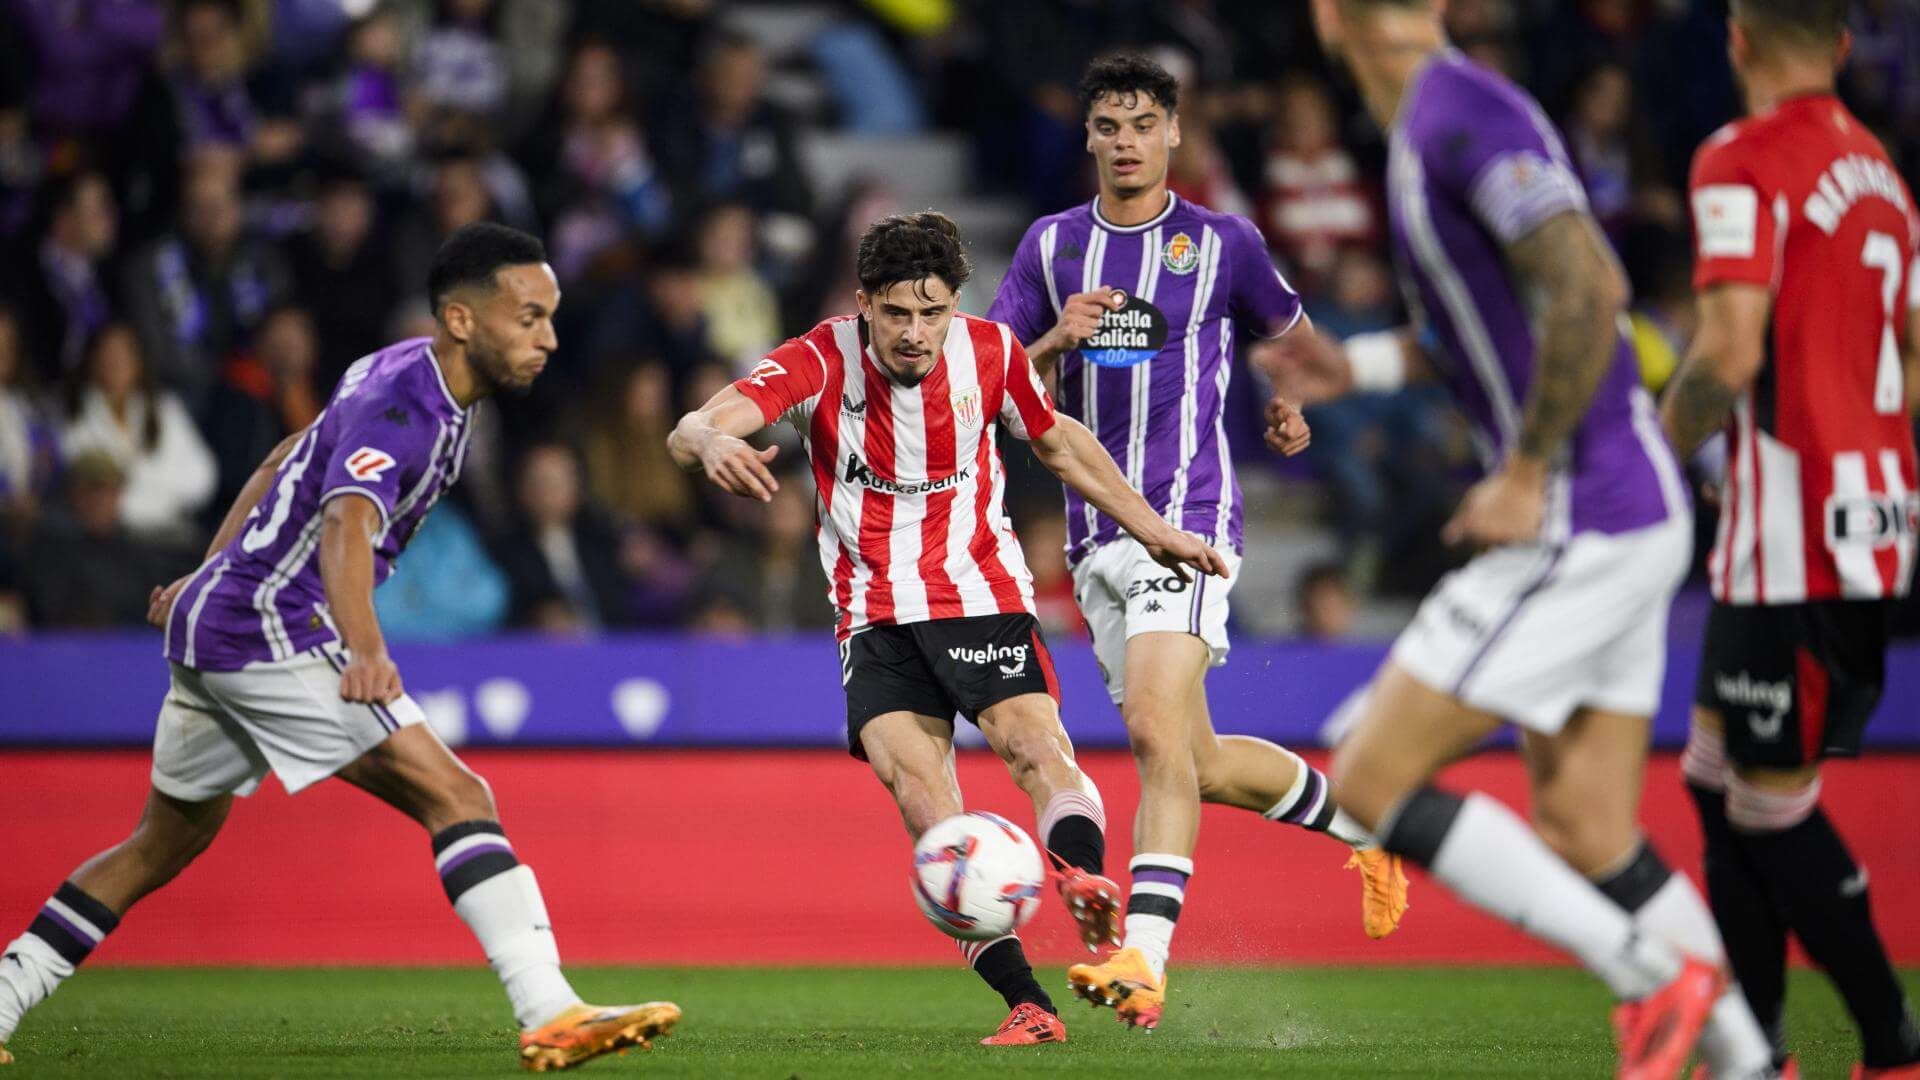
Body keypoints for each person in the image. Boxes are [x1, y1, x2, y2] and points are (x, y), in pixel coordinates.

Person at [0, 223, 679, 1071]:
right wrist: (364, 646)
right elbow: (345, 522)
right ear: (463, 320)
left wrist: (207, 575)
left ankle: (3, 999)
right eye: (530, 317)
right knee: (456, 793)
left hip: (224, 616)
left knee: (159, 844)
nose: (547, 337)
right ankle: (550, 1010)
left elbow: (286, 458)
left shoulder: (396, 366)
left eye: (550, 317)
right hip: (270, 626)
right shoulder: (409, 408)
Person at [1288, 3, 1782, 1077]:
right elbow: (1493, 324)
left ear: (1329, 20)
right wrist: (1359, 369)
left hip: (1580, 513)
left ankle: (1654, 980)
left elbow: (1586, 285)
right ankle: (1753, 1063)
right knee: (1588, 824)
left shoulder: (1459, 117)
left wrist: (1520, 472)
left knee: (1368, 773)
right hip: (1628, 507)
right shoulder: (1438, 120)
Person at [669, 210, 1229, 1047]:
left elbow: (1061, 444)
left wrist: (1157, 528)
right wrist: (710, 444)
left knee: (1034, 750)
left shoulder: (993, 352)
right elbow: (694, 425)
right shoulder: (820, 357)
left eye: (931, 313)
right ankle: (1027, 1005)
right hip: (872, 618)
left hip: (978, 595)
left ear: (953, 303)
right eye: (896, 313)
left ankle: (1081, 877)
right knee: (928, 808)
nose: (915, 333)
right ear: (864, 304)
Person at [985, 53, 1406, 1033]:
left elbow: (1293, 338)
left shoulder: (1224, 245)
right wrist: (1053, 343)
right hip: (1094, 533)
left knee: (1151, 734)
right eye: (1108, 125)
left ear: (1175, 133)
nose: (1126, 141)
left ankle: (1146, 955)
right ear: (1087, 138)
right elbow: (992, 379)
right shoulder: (1051, 251)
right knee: (1199, 761)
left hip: (1190, 522)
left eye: (1143, 123)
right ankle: (1369, 829)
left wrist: (1293, 404)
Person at [1660, 1, 1920, 1073]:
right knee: (1716, 777)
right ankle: (1756, 1048)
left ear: (1739, 40)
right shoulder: (1881, 175)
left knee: (1768, 808)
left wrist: (1650, 461)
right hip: (1865, 516)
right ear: (1844, 47)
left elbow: (1727, 351)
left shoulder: (1742, 156)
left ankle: (1892, 1042)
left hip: (1795, 535)